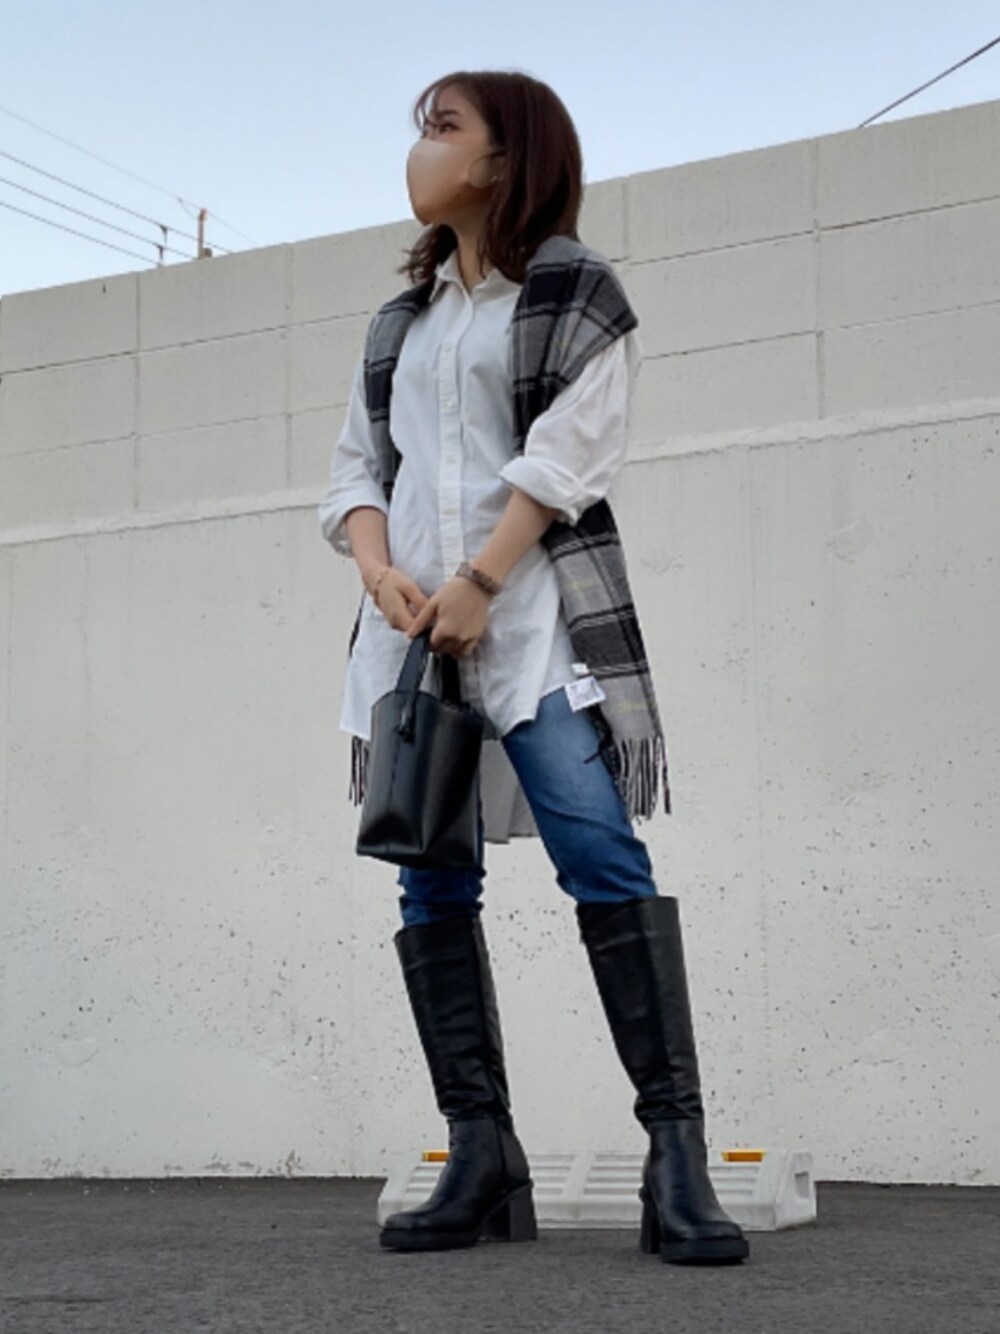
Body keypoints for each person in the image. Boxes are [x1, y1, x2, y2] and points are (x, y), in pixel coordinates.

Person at [318, 69, 749, 1266]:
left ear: (506, 158)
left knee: (600, 852)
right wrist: (381, 572)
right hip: (411, 643)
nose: (421, 148)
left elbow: (569, 459)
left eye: (443, 128)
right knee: (431, 883)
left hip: (535, 630)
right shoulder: (400, 323)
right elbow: (357, 468)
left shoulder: (574, 293)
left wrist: (480, 579)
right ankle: (480, 1149)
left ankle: (675, 1154)